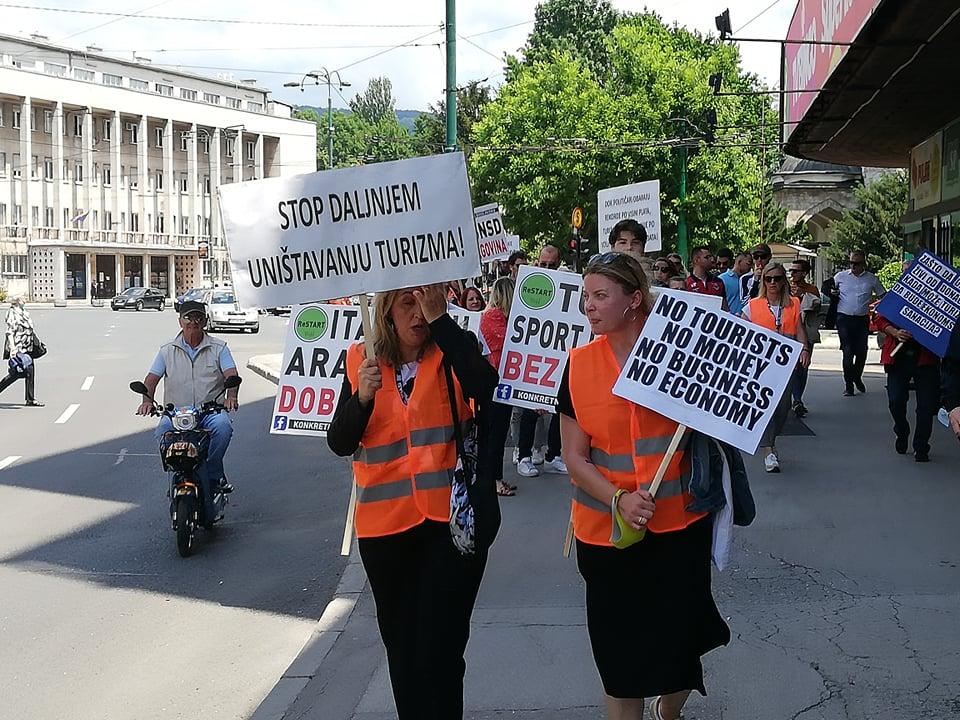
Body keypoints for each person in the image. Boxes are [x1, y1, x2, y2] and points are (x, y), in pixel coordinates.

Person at [558, 251, 730, 720]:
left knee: (682, 649)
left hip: (679, 529)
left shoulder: (683, 354)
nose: (588, 306)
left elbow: (727, 409)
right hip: (605, 535)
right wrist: (618, 499)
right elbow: (574, 457)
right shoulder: (576, 366)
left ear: (634, 300)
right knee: (619, 663)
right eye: (585, 296)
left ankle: (669, 707)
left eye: (600, 296)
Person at [327, 285, 499, 720]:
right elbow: (341, 441)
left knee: (441, 649)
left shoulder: (453, 348)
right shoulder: (359, 359)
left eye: (425, 301)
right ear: (385, 310)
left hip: (449, 527)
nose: (418, 312)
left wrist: (442, 321)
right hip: (385, 531)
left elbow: (486, 387)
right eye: (408, 302)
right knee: (403, 650)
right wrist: (362, 398)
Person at [135, 301, 240, 521]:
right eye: (188, 318)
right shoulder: (167, 351)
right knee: (162, 434)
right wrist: (147, 401)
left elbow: (231, 374)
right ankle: (176, 477)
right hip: (176, 415)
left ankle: (212, 474)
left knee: (223, 428)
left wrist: (231, 397)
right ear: (180, 321)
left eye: (198, 318)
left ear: (204, 321)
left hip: (209, 411)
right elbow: (152, 379)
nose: (193, 322)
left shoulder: (219, 348)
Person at [742, 262, 811, 472]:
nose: (773, 283)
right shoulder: (753, 305)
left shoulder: (794, 303)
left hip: (785, 363)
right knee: (764, 407)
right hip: (760, 364)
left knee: (783, 407)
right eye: (768, 279)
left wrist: (804, 349)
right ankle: (768, 450)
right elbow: (741, 329)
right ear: (763, 281)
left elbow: (798, 328)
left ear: (784, 281)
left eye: (778, 278)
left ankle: (771, 442)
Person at [515, 244, 567, 478]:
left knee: (559, 408)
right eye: (542, 264)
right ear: (536, 263)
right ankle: (524, 456)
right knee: (529, 410)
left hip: (558, 360)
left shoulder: (568, 289)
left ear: (559, 264)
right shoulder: (525, 288)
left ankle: (553, 456)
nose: (546, 268)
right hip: (532, 360)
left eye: (551, 265)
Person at [876, 312, 939, 462]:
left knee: (926, 406)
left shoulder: (939, 296)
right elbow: (879, 317)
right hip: (898, 358)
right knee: (895, 400)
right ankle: (902, 430)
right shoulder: (901, 292)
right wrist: (895, 332)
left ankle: (921, 446)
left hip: (926, 359)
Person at [481, 277, 517, 496]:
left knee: (499, 434)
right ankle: (493, 480)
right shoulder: (493, 317)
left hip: (503, 381)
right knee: (495, 435)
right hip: (496, 382)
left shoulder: (498, 317)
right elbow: (511, 341)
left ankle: (496, 477)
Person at [833, 250, 885, 396]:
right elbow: (829, 289)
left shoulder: (871, 279)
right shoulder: (841, 277)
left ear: (864, 263)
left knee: (861, 352)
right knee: (847, 352)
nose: (853, 266)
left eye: (857, 263)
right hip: (844, 318)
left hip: (861, 319)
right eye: (851, 263)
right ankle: (848, 385)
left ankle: (857, 376)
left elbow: (883, 295)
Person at [788, 259, 822, 417]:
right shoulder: (785, 287)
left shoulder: (811, 289)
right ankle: (792, 399)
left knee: (802, 367)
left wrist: (803, 296)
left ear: (804, 273)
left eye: (796, 271)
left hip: (806, 332)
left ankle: (798, 399)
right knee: (790, 368)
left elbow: (815, 306)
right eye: (791, 271)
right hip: (788, 331)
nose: (793, 274)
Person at [1, 297, 43, 406]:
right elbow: (9, 332)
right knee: (18, 373)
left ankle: (30, 399)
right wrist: (13, 348)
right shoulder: (12, 313)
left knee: (30, 372)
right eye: (22, 298)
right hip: (18, 346)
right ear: (17, 301)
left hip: (27, 346)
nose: (24, 299)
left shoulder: (24, 312)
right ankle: (30, 399)